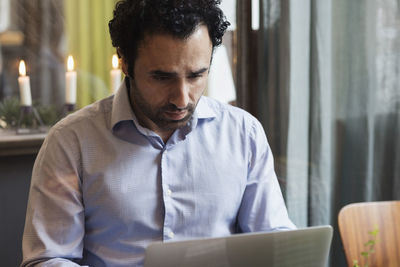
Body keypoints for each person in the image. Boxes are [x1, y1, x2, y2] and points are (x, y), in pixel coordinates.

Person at [21, 0, 295, 266]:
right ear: (125, 63)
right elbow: (48, 258)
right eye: (162, 77)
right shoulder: (71, 143)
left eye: (196, 76)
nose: (181, 98)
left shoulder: (243, 135)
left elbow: (276, 245)